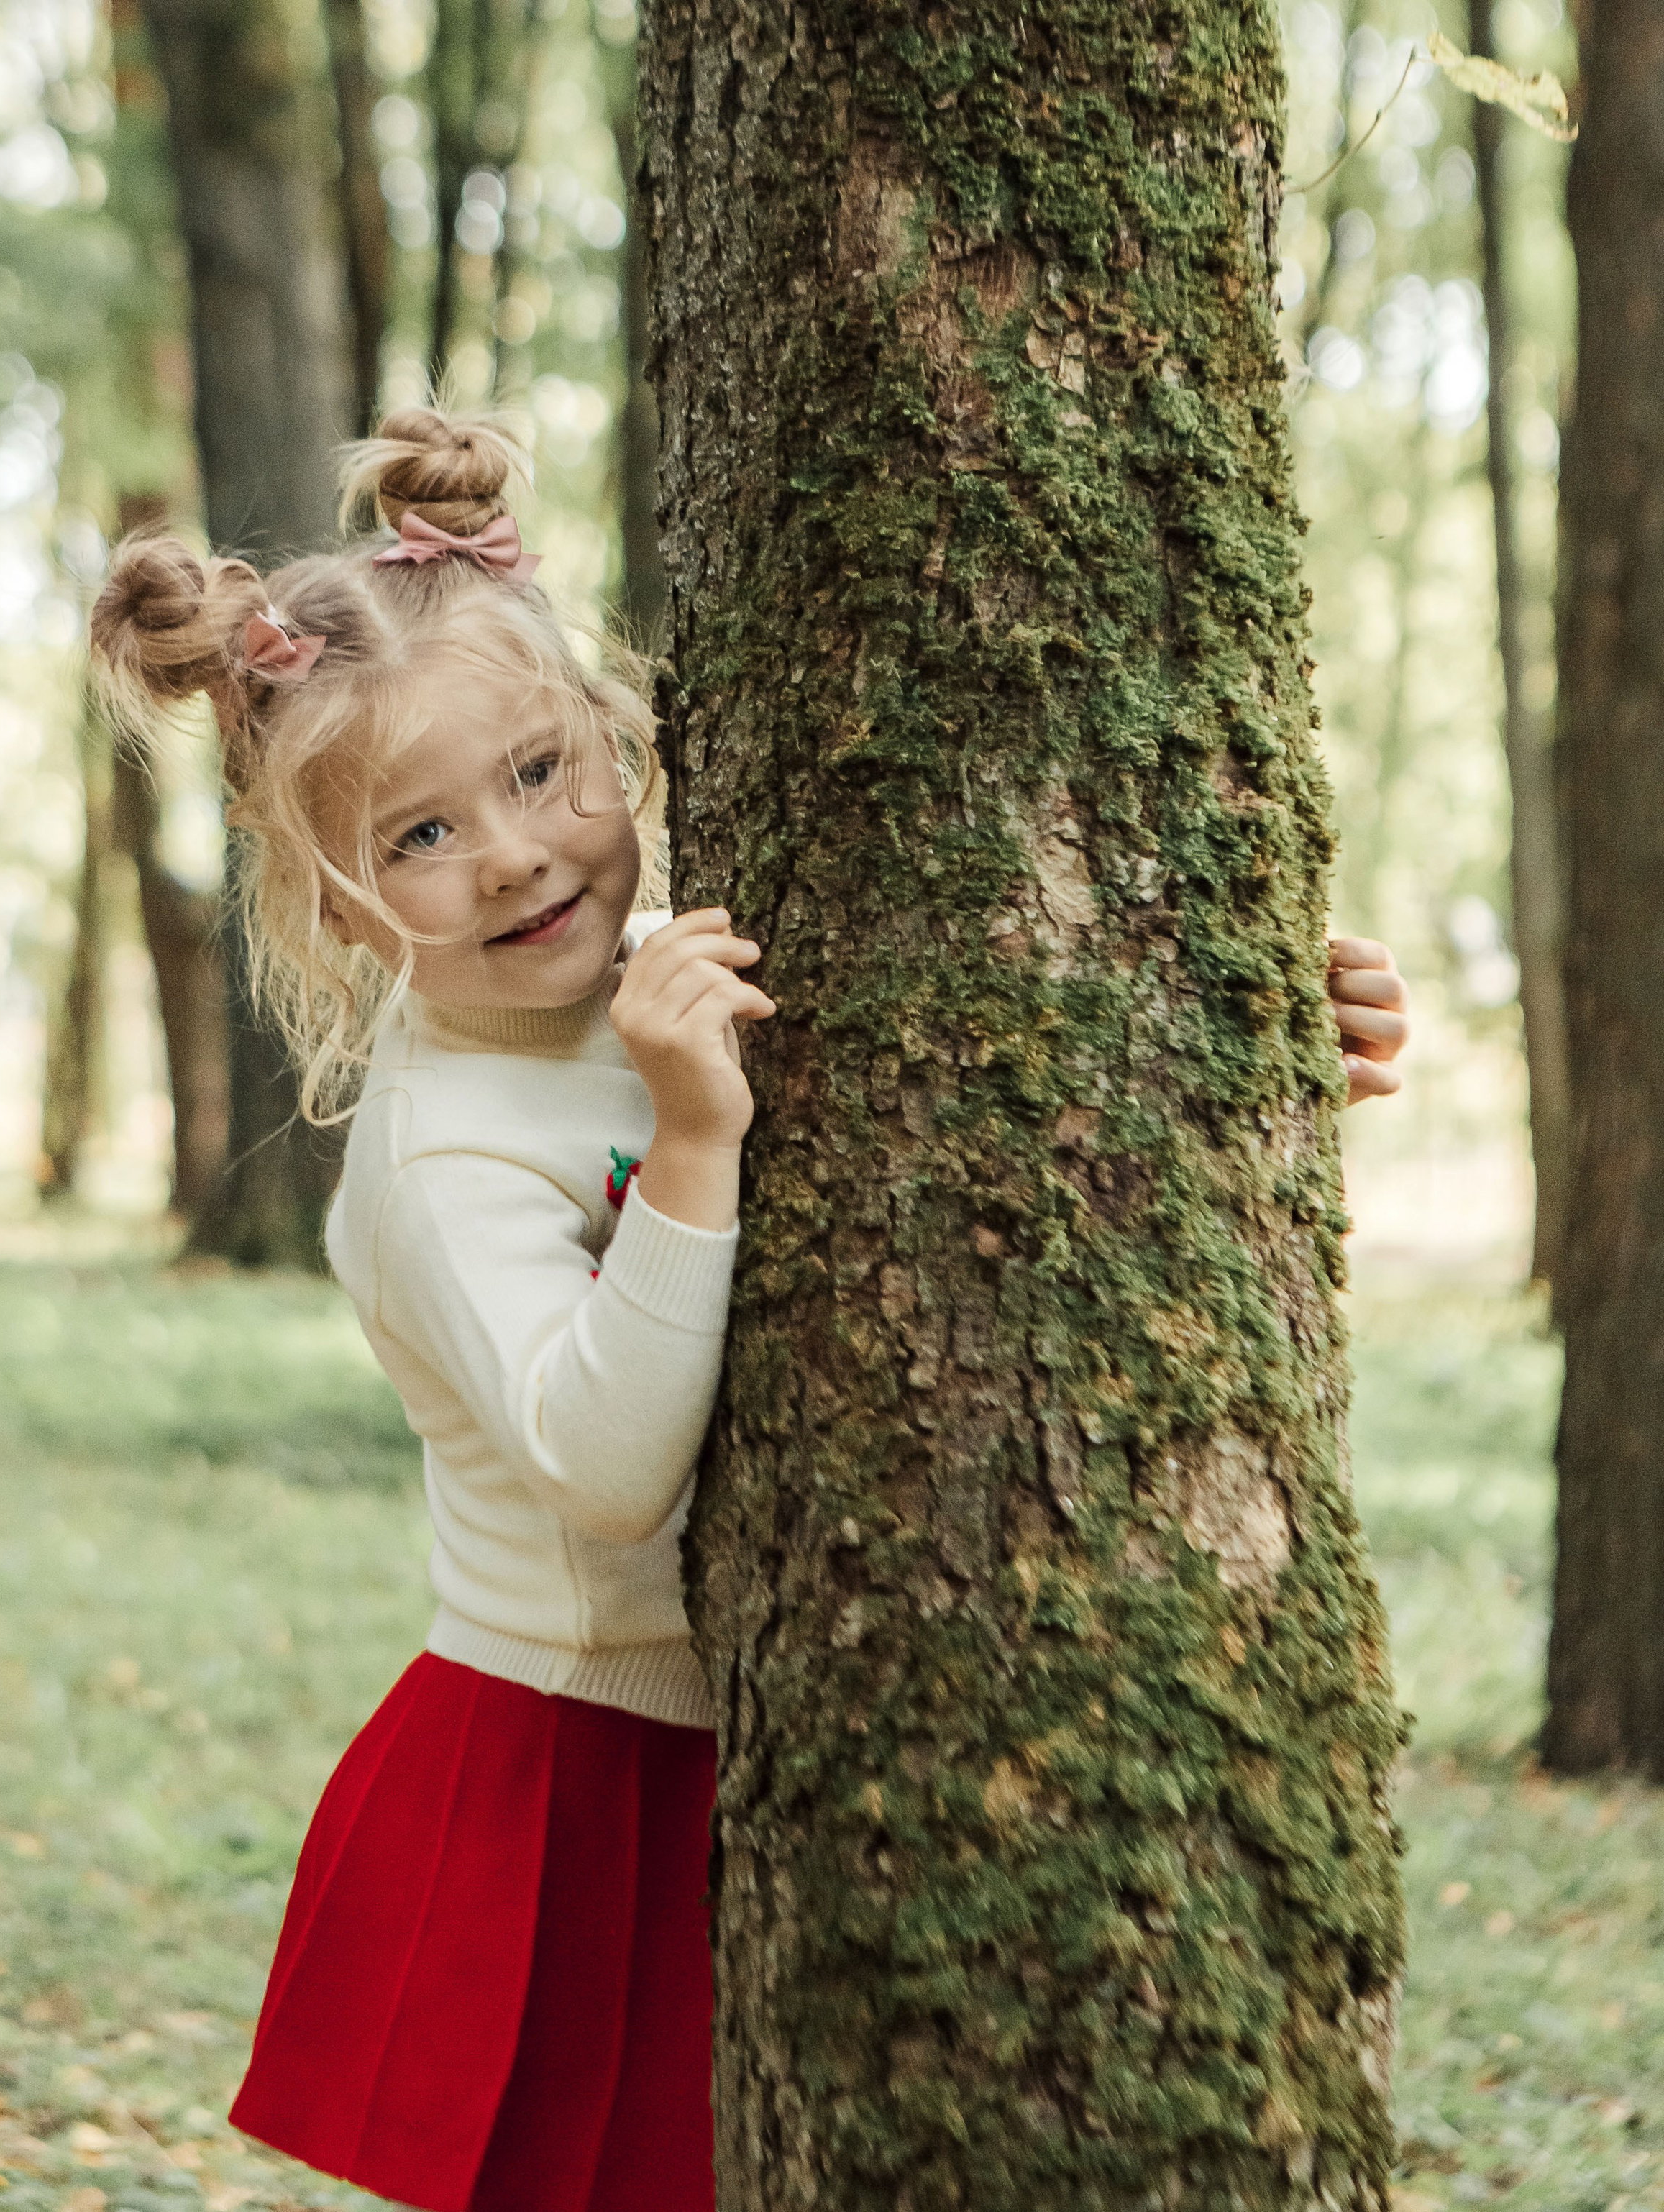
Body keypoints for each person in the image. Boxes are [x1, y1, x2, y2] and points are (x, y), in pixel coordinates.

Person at [87, 408, 1410, 2212]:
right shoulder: (436, 1151)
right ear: (331, 903)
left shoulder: (675, 966)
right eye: (420, 832)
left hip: (750, 1736)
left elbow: (975, 1124)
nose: (511, 854)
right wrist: (695, 1140)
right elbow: (602, 1463)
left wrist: (1255, 1039)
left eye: (542, 770)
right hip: (575, 1759)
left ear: (617, 737)